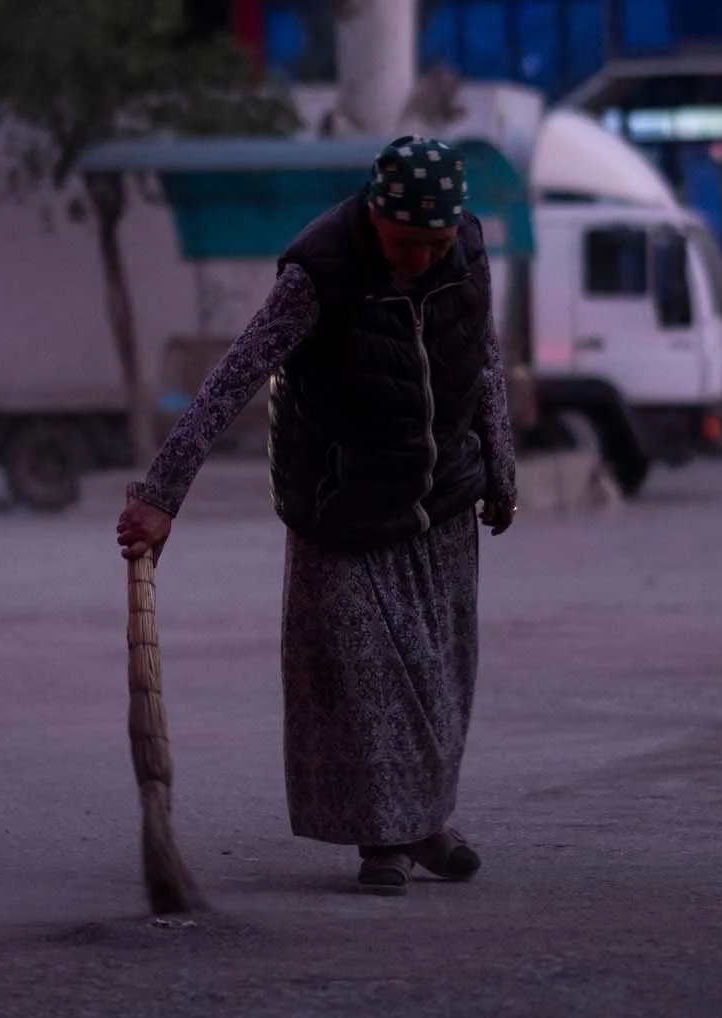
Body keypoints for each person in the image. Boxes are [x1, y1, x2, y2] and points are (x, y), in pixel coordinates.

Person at [117, 134, 518, 895]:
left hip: (442, 498)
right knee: (367, 681)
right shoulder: (319, 271)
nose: (422, 259)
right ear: (376, 215)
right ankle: (383, 839)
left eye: (435, 245)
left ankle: (426, 823)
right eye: (407, 244)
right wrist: (162, 494)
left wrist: (500, 466)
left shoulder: (465, 251)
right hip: (342, 505)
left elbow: (484, 358)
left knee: (438, 677)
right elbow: (236, 375)